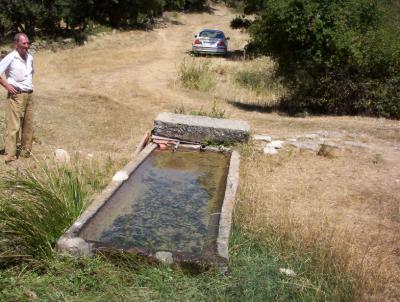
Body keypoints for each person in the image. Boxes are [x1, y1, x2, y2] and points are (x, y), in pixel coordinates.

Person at [0, 33, 34, 165]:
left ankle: (26, 152)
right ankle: (10, 157)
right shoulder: (10, 57)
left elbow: (31, 73)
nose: (27, 46)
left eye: (28, 43)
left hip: (29, 95)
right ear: (16, 44)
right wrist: (7, 86)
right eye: (24, 44)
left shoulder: (30, 57)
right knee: (13, 126)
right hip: (16, 95)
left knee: (28, 124)